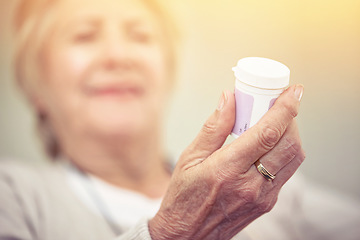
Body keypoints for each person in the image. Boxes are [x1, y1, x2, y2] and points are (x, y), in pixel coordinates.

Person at [1, 0, 357, 239]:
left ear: (166, 72)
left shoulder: (260, 190)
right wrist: (173, 231)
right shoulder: (14, 197)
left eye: (140, 36)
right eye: (84, 36)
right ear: (36, 85)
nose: (118, 55)